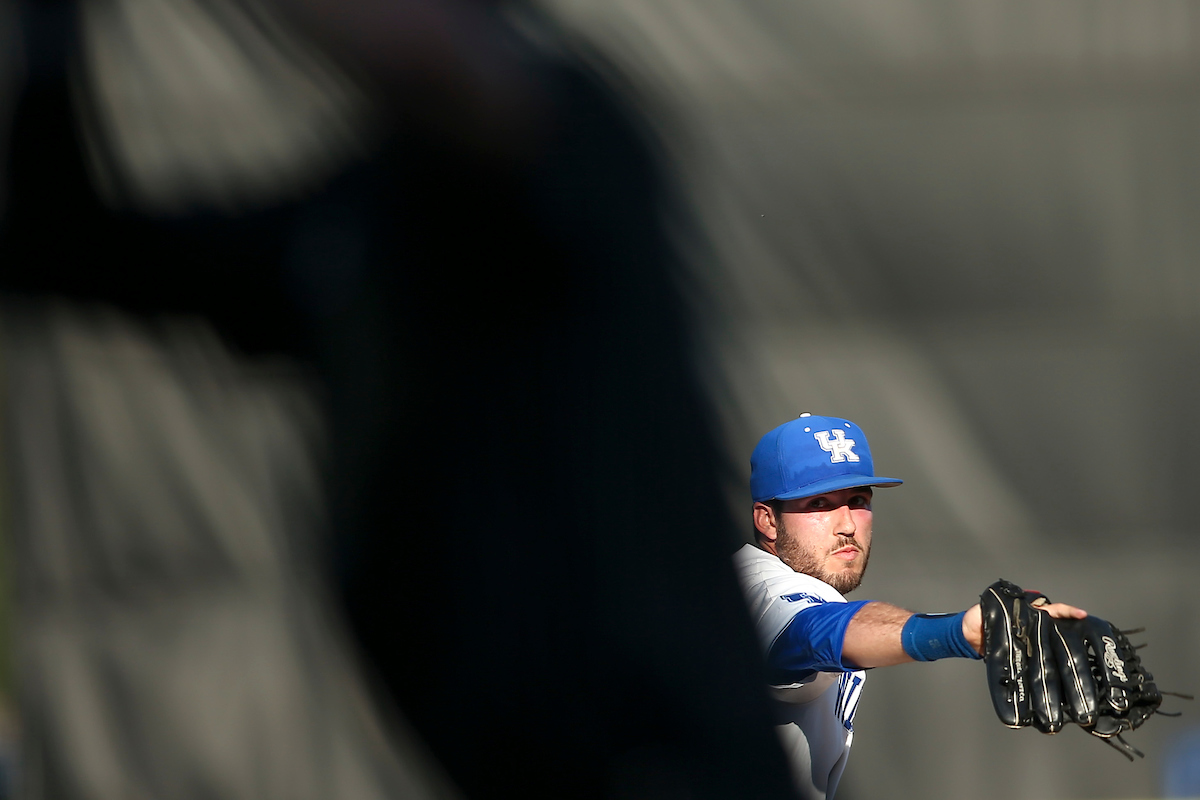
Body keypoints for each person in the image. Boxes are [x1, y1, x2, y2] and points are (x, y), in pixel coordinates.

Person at [734, 413, 1087, 799]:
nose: (847, 525)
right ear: (767, 521)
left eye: (857, 501)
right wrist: (956, 634)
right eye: (819, 503)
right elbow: (814, 632)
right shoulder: (760, 590)